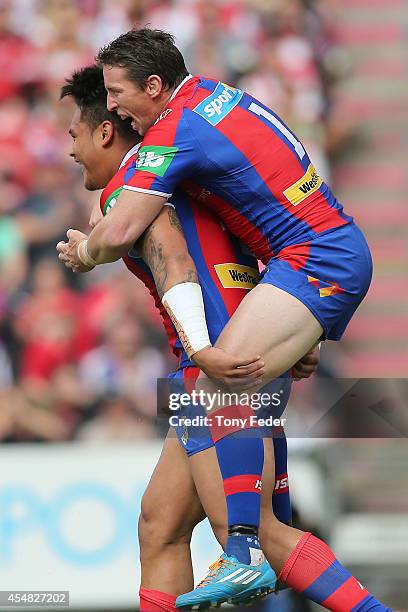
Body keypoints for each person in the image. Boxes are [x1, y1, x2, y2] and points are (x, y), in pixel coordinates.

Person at [57, 64, 392, 612]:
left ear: (105, 132)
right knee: (158, 524)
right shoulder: (183, 177)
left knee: (257, 537)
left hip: (220, 368)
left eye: (73, 135)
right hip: (234, 356)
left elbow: (178, 267)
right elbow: (254, 244)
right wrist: (297, 334)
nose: (69, 152)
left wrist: (205, 353)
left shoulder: (134, 189)